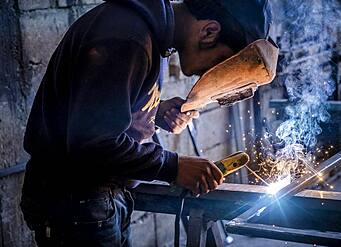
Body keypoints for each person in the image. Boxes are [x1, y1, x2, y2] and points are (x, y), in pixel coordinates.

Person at [20, 0, 271, 246]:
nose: (208, 73)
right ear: (209, 32)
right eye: (219, 61)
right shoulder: (128, 37)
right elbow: (93, 143)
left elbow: (100, 108)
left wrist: (154, 112)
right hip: (77, 201)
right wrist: (173, 166)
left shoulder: (151, 34)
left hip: (96, 198)